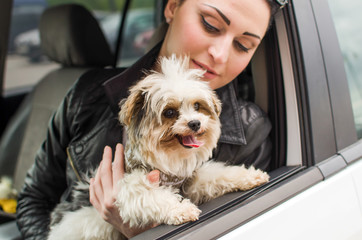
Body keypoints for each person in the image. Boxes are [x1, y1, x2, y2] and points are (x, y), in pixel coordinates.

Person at [16, 0, 286, 239]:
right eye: (210, 24)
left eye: (243, 45)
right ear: (172, 7)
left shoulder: (252, 133)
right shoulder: (86, 96)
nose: (220, 54)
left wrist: (140, 233)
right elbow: (34, 199)